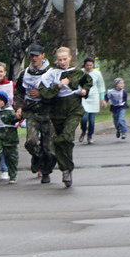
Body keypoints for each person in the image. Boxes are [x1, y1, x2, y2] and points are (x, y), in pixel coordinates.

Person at [44, 46, 93, 187]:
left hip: (74, 110)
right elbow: (45, 92)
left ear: (70, 58)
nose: (63, 62)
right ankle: (66, 169)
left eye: (65, 59)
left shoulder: (77, 72)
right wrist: (58, 86)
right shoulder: (52, 74)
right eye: (59, 60)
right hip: (57, 112)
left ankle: (65, 165)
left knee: (64, 138)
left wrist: (84, 90)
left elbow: (87, 81)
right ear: (56, 60)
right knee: (65, 143)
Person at [16, 44, 56, 183]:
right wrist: (18, 107)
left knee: (50, 149)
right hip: (31, 112)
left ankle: (46, 172)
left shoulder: (52, 73)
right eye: (31, 56)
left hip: (48, 113)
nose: (34, 58)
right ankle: (37, 157)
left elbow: (57, 92)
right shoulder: (25, 73)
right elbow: (19, 92)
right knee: (31, 142)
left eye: (36, 55)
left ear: (43, 56)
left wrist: (42, 93)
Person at [78, 57, 106, 144]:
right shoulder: (80, 72)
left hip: (94, 96)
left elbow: (101, 86)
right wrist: (79, 92)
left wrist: (102, 99)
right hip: (83, 97)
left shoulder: (97, 73)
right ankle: (83, 130)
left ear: (93, 65)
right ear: (85, 65)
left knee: (92, 120)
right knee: (83, 118)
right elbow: (77, 84)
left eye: (91, 65)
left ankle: (90, 135)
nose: (89, 67)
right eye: (87, 65)